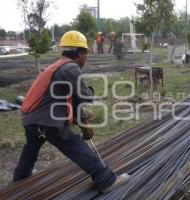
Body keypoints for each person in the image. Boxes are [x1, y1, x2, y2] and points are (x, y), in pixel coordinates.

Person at [13, 30, 129, 193]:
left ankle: (19, 182)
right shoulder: (70, 68)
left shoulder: (56, 66)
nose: (86, 58)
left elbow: (70, 100)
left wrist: (81, 122)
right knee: (74, 144)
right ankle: (106, 180)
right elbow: (84, 97)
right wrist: (89, 93)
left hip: (30, 118)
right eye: (85, 54)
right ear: (79, 53)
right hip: (46, 121)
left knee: (30, 149)